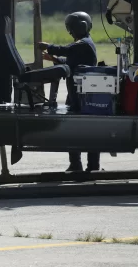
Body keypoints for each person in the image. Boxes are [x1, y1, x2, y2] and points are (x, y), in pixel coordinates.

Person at [38, 11, 99, 172]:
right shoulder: (83, 44)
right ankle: (77, 165)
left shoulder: (84, 43)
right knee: (75, 132)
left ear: (79, 27)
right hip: (76, 93)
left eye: (70, 28)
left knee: (83, 132)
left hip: (81, 96)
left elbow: (67, 50)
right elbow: (72, 59)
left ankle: (91, 167)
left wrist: (48, 47)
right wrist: (55, 59)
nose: (70, 31)